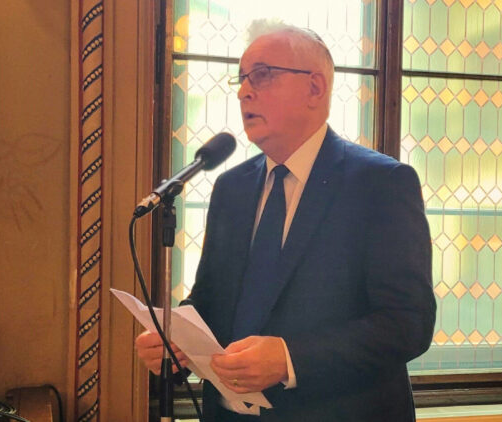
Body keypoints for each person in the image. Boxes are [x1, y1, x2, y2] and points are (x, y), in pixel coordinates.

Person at [135, 21, 436, 422]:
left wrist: (289, 359)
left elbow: (407, 323)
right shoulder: (231, 187)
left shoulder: (380, 183)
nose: (244, 91)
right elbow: (211, 299)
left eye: (262, 75)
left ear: (315, 88)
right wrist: (177, 341)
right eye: (242, 78)